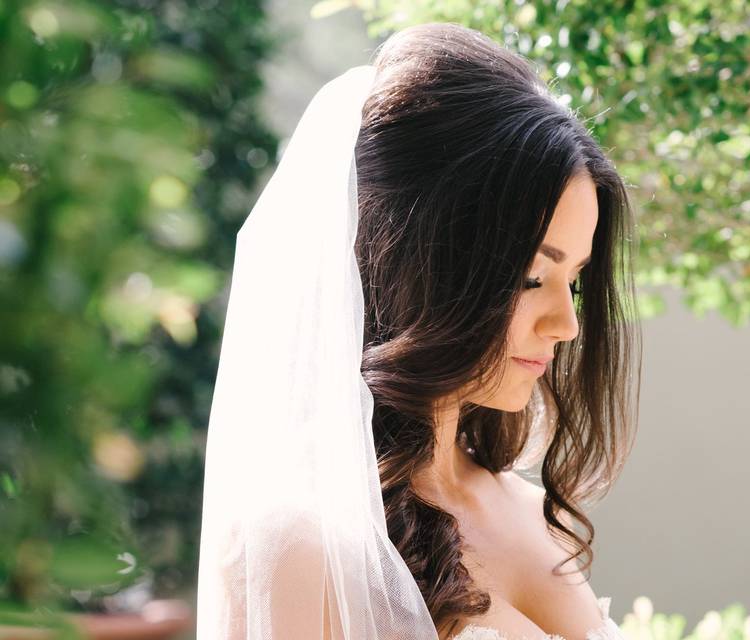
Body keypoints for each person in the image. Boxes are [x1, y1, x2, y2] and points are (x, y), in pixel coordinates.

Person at [197, 21, 641, 640]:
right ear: (423, 269)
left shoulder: (522, 507)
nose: (566, 325)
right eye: (530, 277)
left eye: (574, 280)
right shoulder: (300, 540)